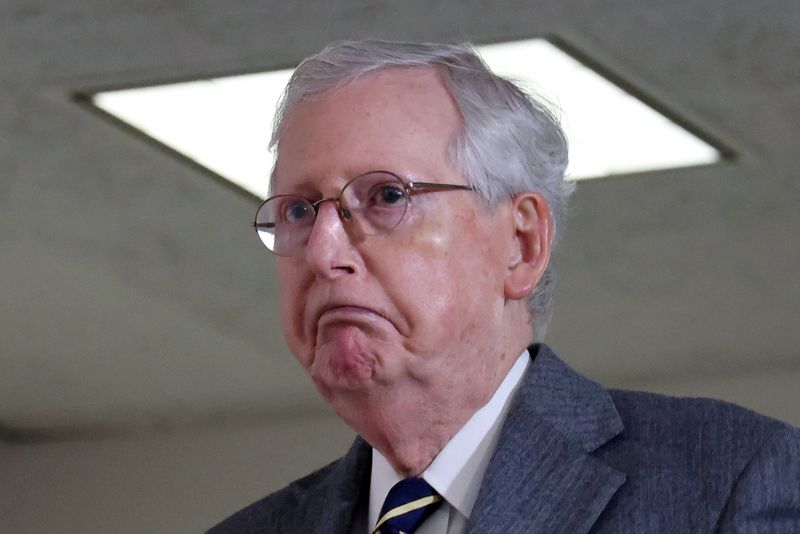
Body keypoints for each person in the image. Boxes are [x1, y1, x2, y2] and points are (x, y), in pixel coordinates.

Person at [209, 40, 800, 534]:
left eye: (386, 196)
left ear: (521, 245)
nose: (323, 251)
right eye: (298, 212)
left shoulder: (728, 482)